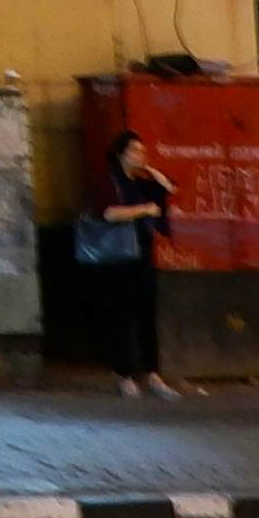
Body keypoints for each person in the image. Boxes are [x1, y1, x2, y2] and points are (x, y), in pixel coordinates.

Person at [76, 129, 182, 397]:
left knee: (147, 313)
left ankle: (153, 374)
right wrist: (144, 210)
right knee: (121, 315)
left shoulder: (142, 183)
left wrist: (151, 170)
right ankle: (123, 374)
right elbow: (109, 213)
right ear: (121, 154)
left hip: (143, 255)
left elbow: (171, 188)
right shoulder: (109, 182)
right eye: (135, 151)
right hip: (118, 257)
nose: (140, 155)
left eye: (143, 151)